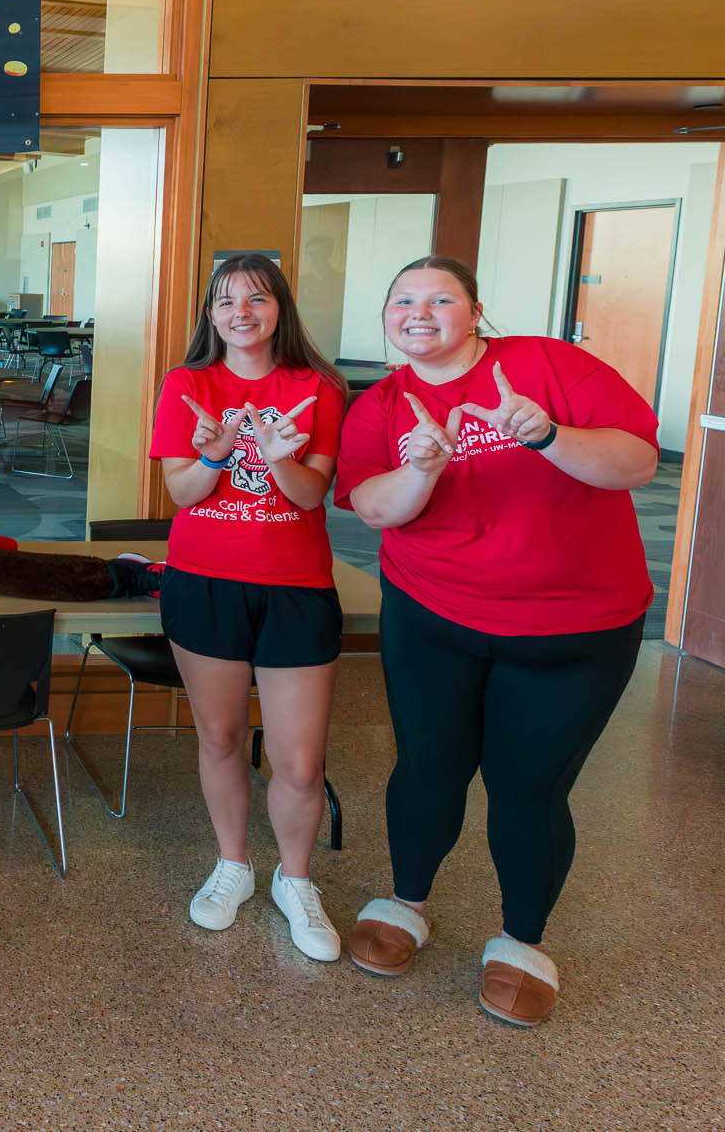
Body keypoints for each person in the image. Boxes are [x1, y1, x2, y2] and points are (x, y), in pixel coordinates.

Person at [335, 256, 657, 1027]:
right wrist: (425, 473)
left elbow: (638, 462)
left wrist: (548, 434)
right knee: (427, 769)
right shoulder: (381, 404)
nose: (420, 312)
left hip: (575, 627)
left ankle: (521, 941)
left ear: (475, 311)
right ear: (387, 316)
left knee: (528, 787)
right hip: (432, 617)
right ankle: (406, 901)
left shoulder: (547, 363)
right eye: (403, 299)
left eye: (440, 298)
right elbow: (375, 509)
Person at [147, 253, 349, 963]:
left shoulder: (318, 387)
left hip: (297, 587)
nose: (241, 312)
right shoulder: (188, 384)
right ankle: (233, 864)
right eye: (226, 301)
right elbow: (181, 493)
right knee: (221, 737)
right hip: (205, 580)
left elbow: (307, 495)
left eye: (257, 299)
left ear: (279, 309)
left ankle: (297, 883)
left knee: (299, 762)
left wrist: (276, 454)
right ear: (211, 314)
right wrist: (219, 453)